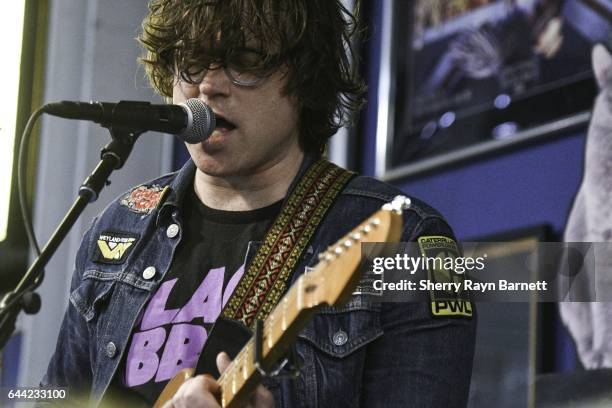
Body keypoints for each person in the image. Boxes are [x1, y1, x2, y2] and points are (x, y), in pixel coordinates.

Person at [41, 0, 477, 407]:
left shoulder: (410, 241)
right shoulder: (119, 226)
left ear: (306, 78)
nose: (208, 86)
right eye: (191, 63)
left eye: (245, 61)